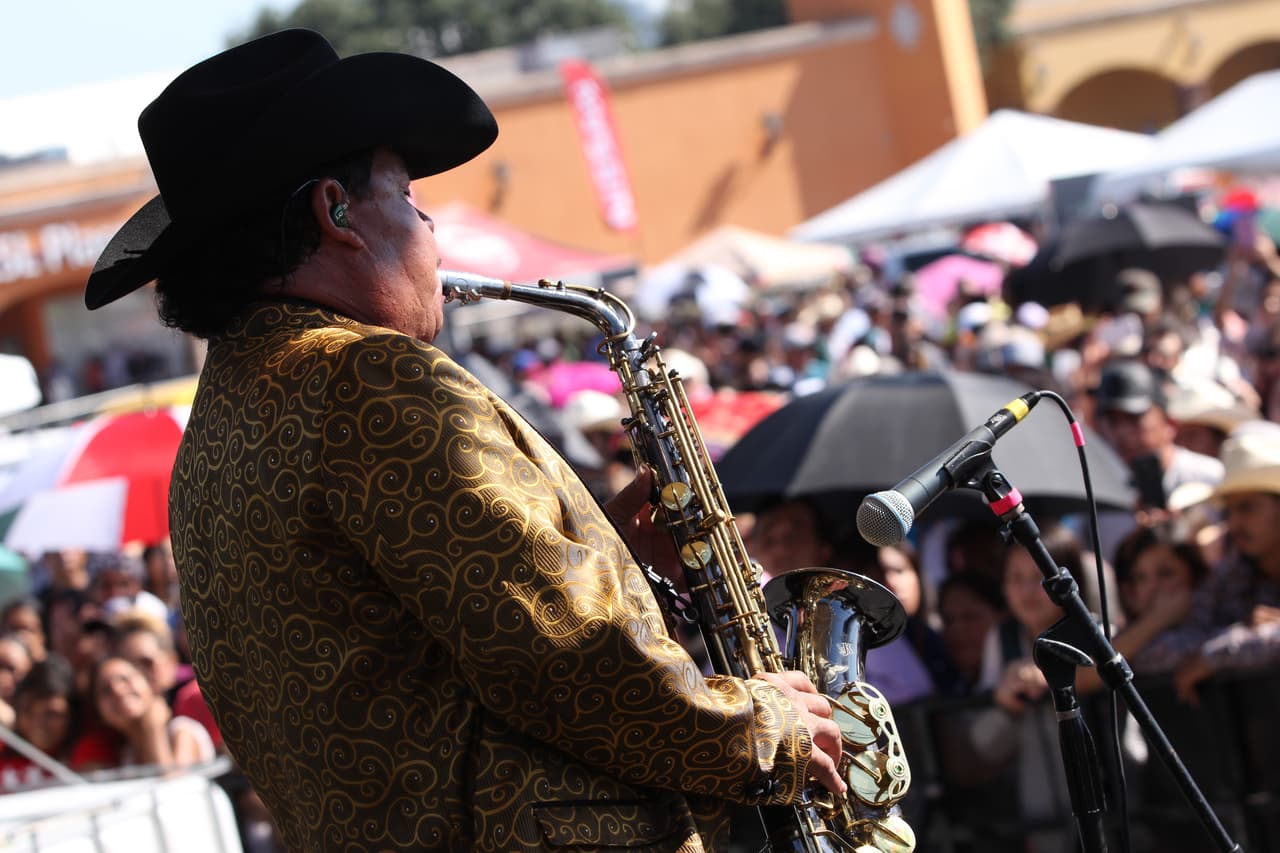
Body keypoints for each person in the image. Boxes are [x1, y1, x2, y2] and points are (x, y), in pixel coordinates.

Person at [85, 29, 843, 852]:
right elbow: (565, 662)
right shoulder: (373, 379)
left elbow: (408, 664)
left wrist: (614, 554)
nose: (428, 222)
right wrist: (770, 727)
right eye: (407, 193)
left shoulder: (216, 434)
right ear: (334, 210)